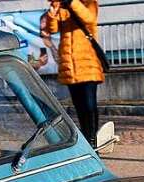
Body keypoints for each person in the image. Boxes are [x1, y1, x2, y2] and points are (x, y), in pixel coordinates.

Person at [46, 0, 103, 147]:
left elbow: (88, 18)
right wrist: (53, 11)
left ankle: (92, 141)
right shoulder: (63, 8)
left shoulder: (90, 3)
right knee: (79, 106)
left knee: (89, 105)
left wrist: (72, 2)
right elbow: (51, 29)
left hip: (87, 64)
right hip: (69, 67)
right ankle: (86, 138)